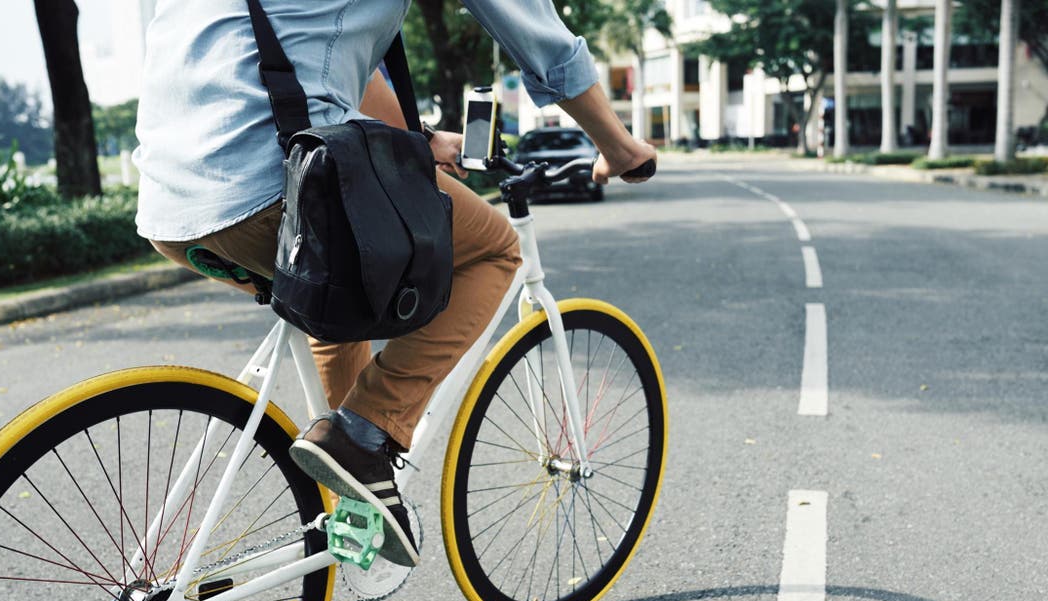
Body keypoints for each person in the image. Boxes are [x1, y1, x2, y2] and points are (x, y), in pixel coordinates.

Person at [134, 0, 657, 568]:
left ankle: (357, 497)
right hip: (277, 181)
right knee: (494, 250)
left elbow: (321, 60)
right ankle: (363, 435)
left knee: (340, 290)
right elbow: (540, 37)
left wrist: (420, 141)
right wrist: (619, 147)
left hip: (172, 209)